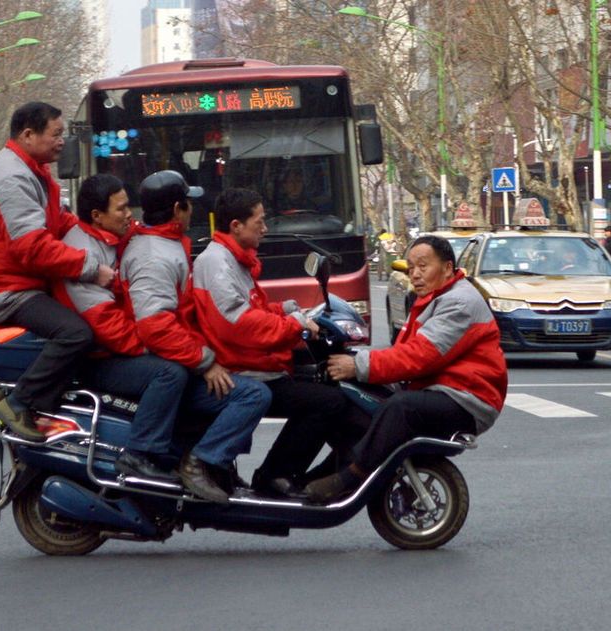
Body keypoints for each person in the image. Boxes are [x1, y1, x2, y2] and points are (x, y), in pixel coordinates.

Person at [304, 235, 508, 503]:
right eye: (411, 268)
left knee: (401, 407)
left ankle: (351, 477)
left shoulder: (459, 302)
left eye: (423, 266)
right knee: (348, 403)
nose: (415, 274)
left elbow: (419, 357)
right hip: (437, 388)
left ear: (447, 268)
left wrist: (358, 365)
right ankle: (323, 473)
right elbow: (403, 352)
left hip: (467, 399)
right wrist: (358, 359)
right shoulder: (432, 297)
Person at [192, 188, 367, 498]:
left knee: (319, 392)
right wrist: (293, 325)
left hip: (254, 361)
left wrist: (286, 310)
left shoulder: (232, 259)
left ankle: (278, 473)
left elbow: (249, 309)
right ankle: (275, 476)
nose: (265, 228)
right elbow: (239, 323)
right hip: (242, 369)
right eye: (258, 222)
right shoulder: (218, 263)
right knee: (327, 401)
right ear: (236, 226)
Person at [0, 102, 114, 442]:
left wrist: (105, 237)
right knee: (76, 333)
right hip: (7, 291)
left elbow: (59, 223)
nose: (61, 141)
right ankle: (21, 403)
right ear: (28, 134)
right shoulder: (13, 177)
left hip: (24, 283)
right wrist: (92, 269)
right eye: (56, 134)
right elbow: (32, 247)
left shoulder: (33, 170)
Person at [122, 170, 271, 503]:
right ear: (178, 210)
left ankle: (215, 466)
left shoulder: (166, 244)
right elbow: (155, 325)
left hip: (179, 356)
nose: (193, 210)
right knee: (252, 395)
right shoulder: (153, 257)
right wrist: (205, 362)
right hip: (164, 360)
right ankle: (200, 464)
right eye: (189, 203)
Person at [53, 174, 189, 481]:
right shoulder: (82, 251)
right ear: (97, 216)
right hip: (97, 357)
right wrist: (154, 344)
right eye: (121, 209)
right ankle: (139, 453)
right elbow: (107, 325)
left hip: (113, 348)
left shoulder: (110, 236)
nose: (130, 215)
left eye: (129, 206)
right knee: (170, 372)